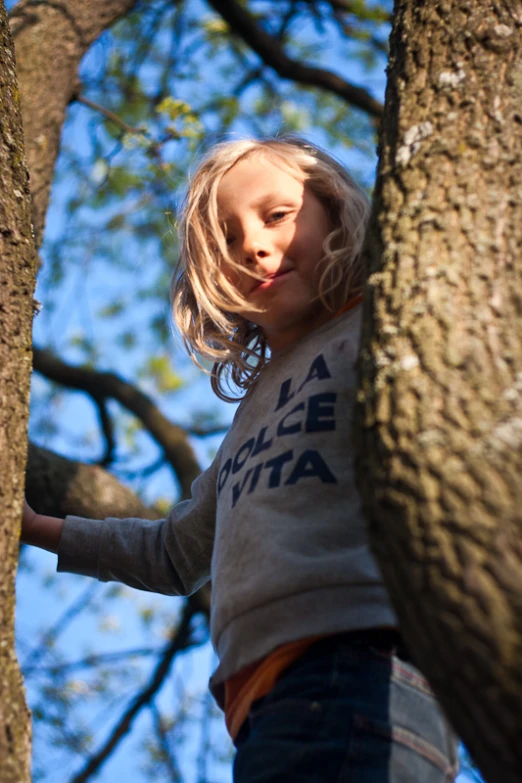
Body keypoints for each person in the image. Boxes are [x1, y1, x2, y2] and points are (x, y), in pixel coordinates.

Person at [22, 137, 458, 782]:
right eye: (226, 241)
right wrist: (30, 528)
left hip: (370, 662)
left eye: (276, 216)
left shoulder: (388, 328)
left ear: (335, 211)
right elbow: (175, 553)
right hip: (264, 705)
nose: (253, 245)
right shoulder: (253, 410)